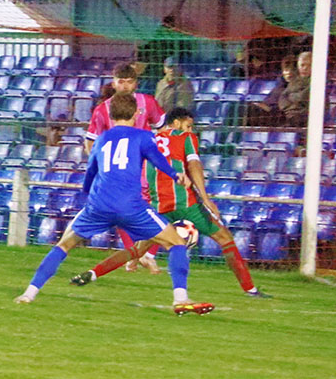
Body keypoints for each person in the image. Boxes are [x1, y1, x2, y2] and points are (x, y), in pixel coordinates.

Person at [14, 93, 212, 316]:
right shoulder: (143, 136)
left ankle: (29, 294)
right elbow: (158, 159)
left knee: (64, 245)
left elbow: (90, 173)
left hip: (99, 205)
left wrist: (88, 196)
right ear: (136, 113)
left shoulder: (101, 139)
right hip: (131, 206)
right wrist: (176, 175)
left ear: (110, 114)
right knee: (175, 243)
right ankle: (181, 299)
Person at [70, 107, 271, 299]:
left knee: (138, 249)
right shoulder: (186, 138)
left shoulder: (147, 139)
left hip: (159, 207)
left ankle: (93, 273)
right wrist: (206, 199)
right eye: (188, 125)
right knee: (225, 239)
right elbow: (194, 165)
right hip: (186, 205)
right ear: (176, 123)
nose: (190, 130)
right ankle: (250, 289)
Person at [86, 62, 166, 273]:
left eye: (129, 82)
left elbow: (163, 129)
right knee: (122, 209)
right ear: (113, 83)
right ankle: (135, 253)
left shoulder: (148, 102)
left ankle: (146, 254)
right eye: (121, 82)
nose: (125, 86)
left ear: (135, 83)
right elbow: (91, 140)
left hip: (146, 166)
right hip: (119, 168)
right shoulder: (102, 110)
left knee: (157, 206)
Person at [245, 55, 297, 127]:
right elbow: (268, 102)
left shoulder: (297, 89)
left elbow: (288, 110)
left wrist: (270, 109)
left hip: (279, 119)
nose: (289, 72)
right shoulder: (279, 86)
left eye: (293, 70)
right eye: (286, 69)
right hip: (266, 115)